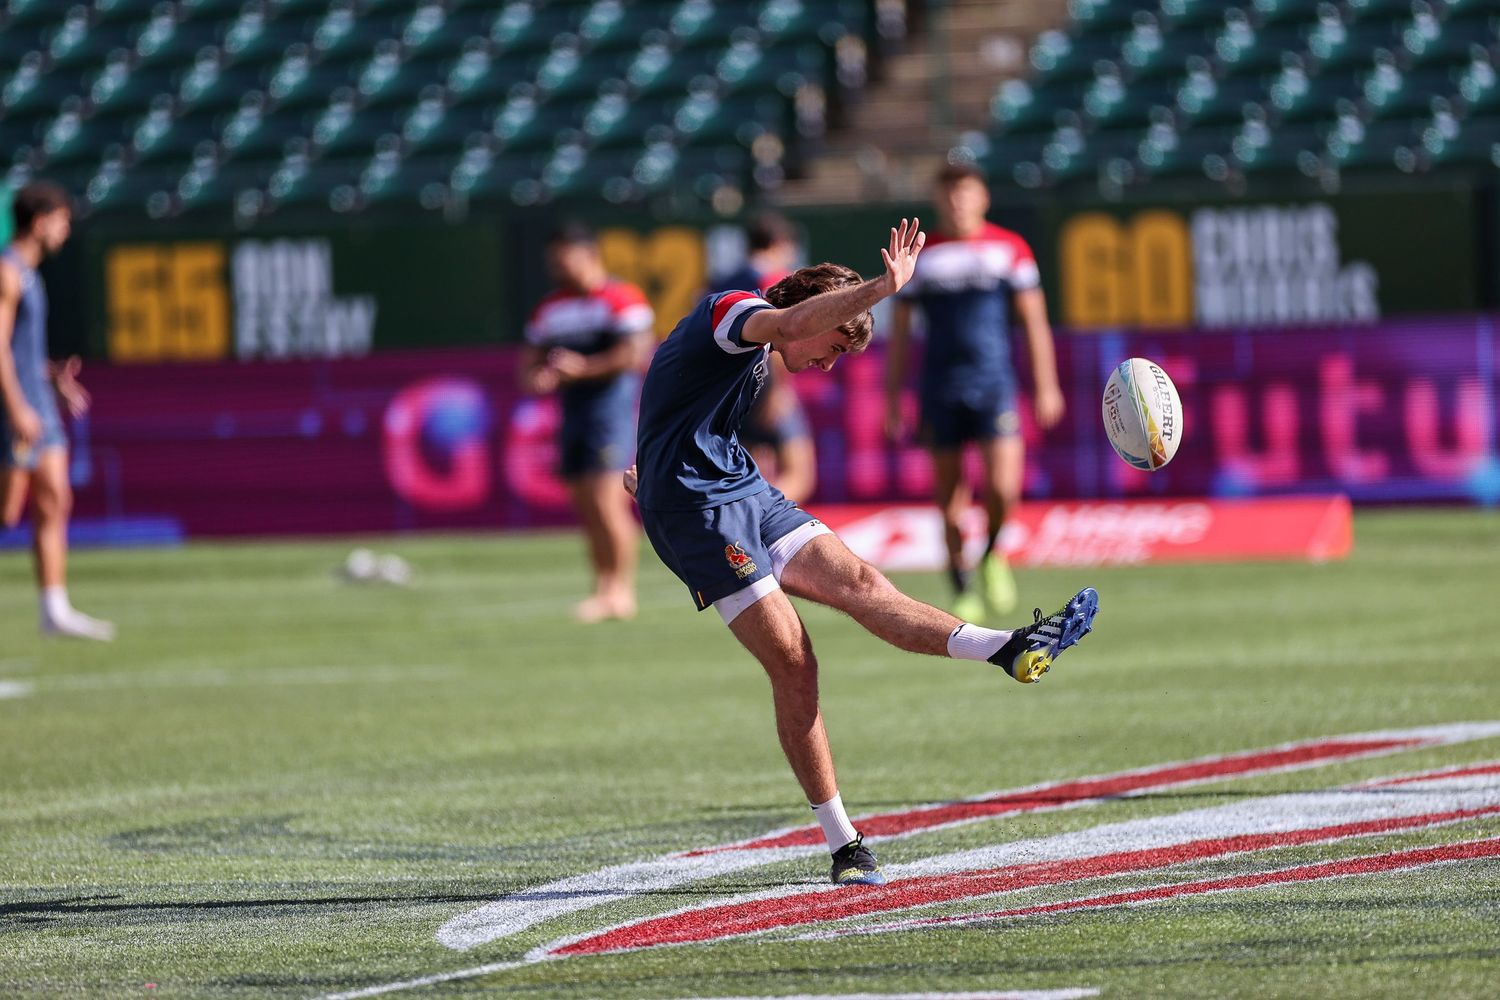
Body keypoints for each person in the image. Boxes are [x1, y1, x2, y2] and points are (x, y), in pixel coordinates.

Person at [627, 219, 1098, 886]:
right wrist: (883, 288)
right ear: (809, 309)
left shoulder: (757, 353)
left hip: (741, 488)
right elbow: (788, 329)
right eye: (836, 345)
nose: (829, 363)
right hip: (699, 516)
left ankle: (1011, 649)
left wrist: (649, 459)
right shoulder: (732, 311)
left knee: (862, 582)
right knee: (795, 660)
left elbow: (679, 407)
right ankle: (845, 843)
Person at [884, 163, 1066, 622]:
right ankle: (961, 583)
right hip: (939, 388)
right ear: (936, 201)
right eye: (947, 195)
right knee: (950, 503)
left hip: (994, 383)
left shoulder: (1010, 249)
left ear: (983, 197)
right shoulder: (921, 256)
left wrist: (1046, 385)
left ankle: (991, 555)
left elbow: (1034, 322)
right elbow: (901, 335)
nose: (956, 203)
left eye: (964, 194)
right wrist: (892, 398)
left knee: (1003, 488)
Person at [522, 222, 654, 623]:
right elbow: (528, 363)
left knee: (606, 501)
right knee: (584, 504)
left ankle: (621, 591)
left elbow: (634, 354)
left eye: (567, 261)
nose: (560, 269)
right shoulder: (550, 307)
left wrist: (582, 369)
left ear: (591, 256)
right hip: (573, 415)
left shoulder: (620, 298)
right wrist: (538, 378)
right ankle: (602, 588)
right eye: (554, 263)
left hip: (609, 414)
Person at [0, 181, 114, 640]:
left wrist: (51, 378)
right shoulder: (7, 272)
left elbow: (21, 351)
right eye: (63, 222)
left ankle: (55, 607)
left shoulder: (30, 274)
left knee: (55, 498)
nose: (66, 232)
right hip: (17, 408)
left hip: (39, 404)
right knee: (8, 514)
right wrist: (17, 408)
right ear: (41, 221)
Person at [708, 214, 816, 503]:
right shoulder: (773, 279)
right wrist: (779, 390)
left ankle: (748, 527)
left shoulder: (722, 282)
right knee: (800, 472)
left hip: (730, 389)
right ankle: (762, 517)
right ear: (782, 244)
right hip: (764, 383)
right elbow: (778, 336)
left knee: (749, 469)